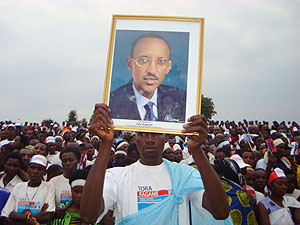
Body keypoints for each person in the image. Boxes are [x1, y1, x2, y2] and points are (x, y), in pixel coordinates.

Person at [80, 104, 229, 225]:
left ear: (166, 138)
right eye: (143, 134)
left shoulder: (184, 174)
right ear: (135, 138)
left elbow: (220, 211)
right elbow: (88, 216)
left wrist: (196, 150)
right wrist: (106, 143)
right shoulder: (117, 176)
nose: (150, 139)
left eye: (157, 133)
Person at [109, 33, 186, 122]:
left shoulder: (182, 101)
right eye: (143, 60)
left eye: (161, 61)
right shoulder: (111, 103)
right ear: (130, 64)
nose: (152, 70)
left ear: (168, 67)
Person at [1, 155, 55, 225]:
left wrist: (17, 216)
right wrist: (31, 220)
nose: (35, 171)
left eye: (40, 169)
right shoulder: (19, 186)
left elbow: (47, 216)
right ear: (28, 169)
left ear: (45, 172)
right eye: (32, 168)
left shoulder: (48, 186)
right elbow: (6, 216)